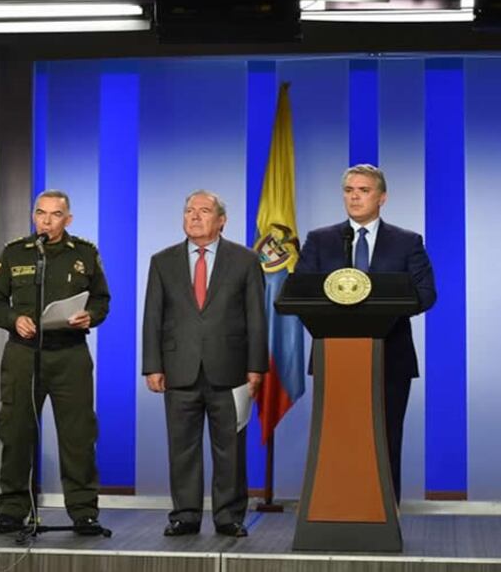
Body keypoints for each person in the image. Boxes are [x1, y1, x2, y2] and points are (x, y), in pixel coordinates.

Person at [297, 164, 436, 504]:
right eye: (349, 190)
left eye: (363, 190)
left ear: (382, 197)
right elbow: (299, 292)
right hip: (335, 357)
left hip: (390, 357)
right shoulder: (320, 240)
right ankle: (335, 508)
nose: (354, 196)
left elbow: (425, 294)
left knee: (385, 437)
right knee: (338, 438)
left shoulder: (407, 242)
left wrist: (379, 311)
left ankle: (385, 511)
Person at [0, 189, 110, 536]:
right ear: (33, 216)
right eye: (41, 213)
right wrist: (13, 318)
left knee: (78, 435)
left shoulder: (84, 253)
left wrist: (90, 316)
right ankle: (12, 510)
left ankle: (84, 512)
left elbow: (102, 299)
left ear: (67, 220)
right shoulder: (14, 253)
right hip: (24, 354)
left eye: (55, 215)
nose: (47, 220)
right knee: (16, 431)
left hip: (69, 354)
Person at [142, 190, 267, 538]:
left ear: (221, 220)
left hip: (231, 371)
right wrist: (153, 365)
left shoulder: (244, 260)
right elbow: (152, 317)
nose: (195, 216)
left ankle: (229, 516)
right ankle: (185, 515)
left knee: (230, 449)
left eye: (204, 210)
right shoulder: (162, 261)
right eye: (189, 211)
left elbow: (257, 318)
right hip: (178, 369)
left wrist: (255, 368)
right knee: (182, 449)